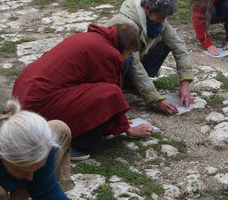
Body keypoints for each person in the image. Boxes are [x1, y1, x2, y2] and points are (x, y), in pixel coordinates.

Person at [12, 24, 154, 160]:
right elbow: (112, 95)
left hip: (22, 98)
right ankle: (77, 145)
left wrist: (116, 121)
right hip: (38, 106)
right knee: (110, 93)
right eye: (128, 53)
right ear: (125, 47)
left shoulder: (90, 38)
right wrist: (127, 128)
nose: (125, 58)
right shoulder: (108, 53)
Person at [106, 0, 195, 115]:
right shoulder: (126, 23)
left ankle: (132, 83)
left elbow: (179, 46)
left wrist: (185, 83)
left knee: (166, 43)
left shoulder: (160, 21)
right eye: (160, 17)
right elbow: (134, 63)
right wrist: (155, 99)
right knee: (128, 59)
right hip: (115, 67)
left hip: (137, 60)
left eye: (165, 17)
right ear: (147, 8)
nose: (163, 21)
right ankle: (117, 86)